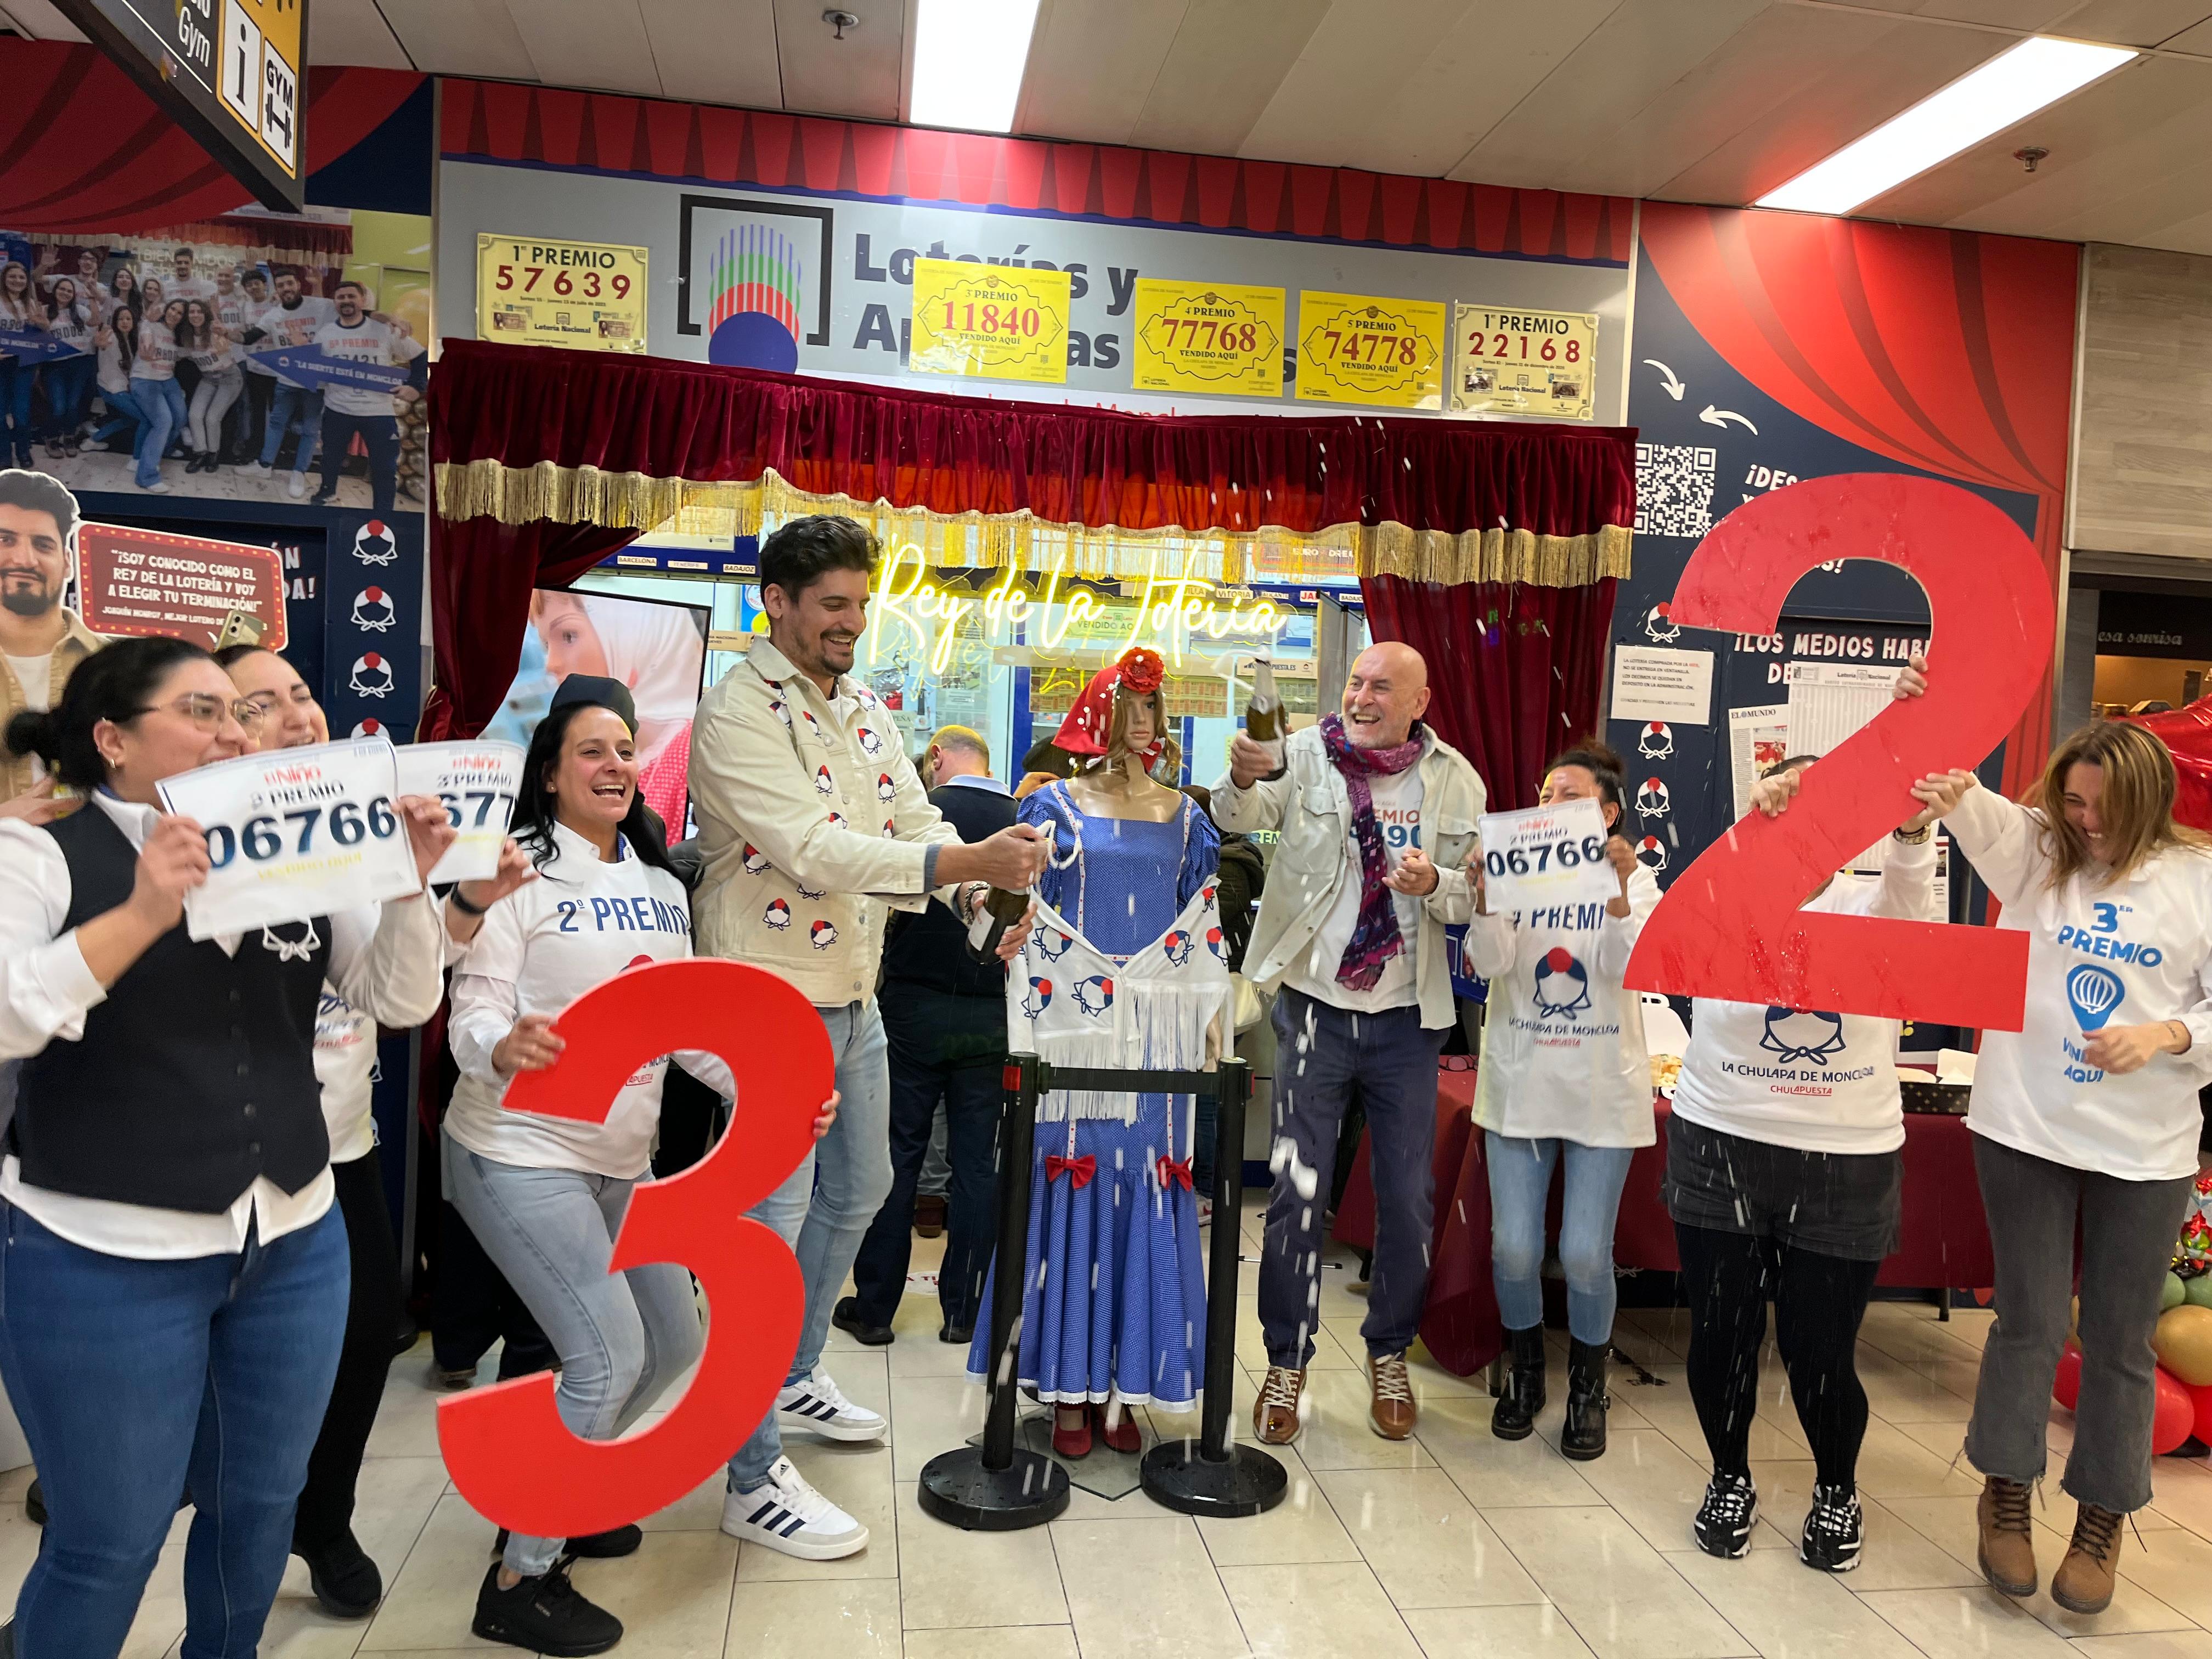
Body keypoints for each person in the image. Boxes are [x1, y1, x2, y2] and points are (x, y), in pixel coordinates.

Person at [0, 635, 453, 1656]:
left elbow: (399, 997)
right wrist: (144, 910)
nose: (232, 731)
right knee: (107, 1541)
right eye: (201, 710)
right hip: (100, 1250)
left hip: (292, 1233)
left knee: (258, 1504)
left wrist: (407, 886)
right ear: (112, 738)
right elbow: (8, 1015)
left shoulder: (292, 852)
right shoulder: (38, 851)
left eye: (236, 714)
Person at [444, 675, 836, 1652]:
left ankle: (571, 1486)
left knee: (673, 1339)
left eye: (624, 748)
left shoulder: (663, 887)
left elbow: (683, 1033)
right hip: (515, 1149)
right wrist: (502, 1046)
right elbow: (473, 1008)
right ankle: (519, 1576)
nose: (614, 764)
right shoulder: (512, 871)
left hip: (621, 1162)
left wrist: (772, 1090)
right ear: (549, 771)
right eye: (591, 750)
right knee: (607, 1353)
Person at [689, 514, 1044, 1559]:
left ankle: (793, 1374)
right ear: (780, 603)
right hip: (766, 997)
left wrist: (989, 906)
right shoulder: (735, 711)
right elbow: (810, 847)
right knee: (772, 1222)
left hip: (855, 991)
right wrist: (963, 867)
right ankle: (747, 1473)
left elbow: (915, 820)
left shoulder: (862, 706)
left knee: (863, 1191)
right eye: (832, 604)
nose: (851, 622)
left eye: (859, 602)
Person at [215, 641, 534, 1619]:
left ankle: (323, 1517)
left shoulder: (355, 846)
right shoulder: (187, 842)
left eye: (301, 694)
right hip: (202, 1161)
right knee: (192, 1364)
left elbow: (399, 995)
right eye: (259, 704)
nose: (296, 714)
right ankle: (113, 1537)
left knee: (359, 1343)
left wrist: (427, 887)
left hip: (337, 1146)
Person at [1909, 720, 2212, 1615]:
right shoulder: (2036, 850)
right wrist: (1924, 707)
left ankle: (2101, 1516)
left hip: (2144, 1148)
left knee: (2120, 1338)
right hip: (2023, 1128)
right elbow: (1944, 779)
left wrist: (2167, 1032)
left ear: (2150, 801)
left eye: (2103, 808)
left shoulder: (2199, 876)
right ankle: (2003, 1490)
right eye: (2071, 800)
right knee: (2029, 1322)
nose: (2084, 821)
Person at [1668, 660, 1936, 1573]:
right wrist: (1753, 831)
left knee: (1822, 1346)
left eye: (1834, 805)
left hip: (1844, 1154)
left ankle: (1834, 1486)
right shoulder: (1731, 878)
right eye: (1798, 798)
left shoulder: (1875, 892)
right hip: (1720, 1136)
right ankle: (1728, 1473)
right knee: (1722, 1330)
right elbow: (1691, 930)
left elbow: (1916, 925)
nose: (1812, 817)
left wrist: (1906, 823)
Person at [1218, 641, 1484, 1444]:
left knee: (1407, 1200)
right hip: (1313, 1011)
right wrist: (1240, 778)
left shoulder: (1456, 780)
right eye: (1356, 684)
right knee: (1297, 1191)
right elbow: (1242, 820)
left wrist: (1437, 886)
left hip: (1409, 1022)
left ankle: (1389, 1350)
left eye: (1381, 688)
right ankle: (1285, 1361)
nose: (1363, 698)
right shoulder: (1303, 753)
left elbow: (1478, 893)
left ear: (1420, 701)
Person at [968, 650, 1224, 1456]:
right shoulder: (1051, 807)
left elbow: (1202, 925)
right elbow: (1018, 905)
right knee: (1071, 1178)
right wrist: (997, 930)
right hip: (1071, 1034)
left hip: (1158, 1041)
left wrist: (1214, 1017)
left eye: (1154, 711)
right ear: (1099, 715)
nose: (1145, 726)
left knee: (1151, 1187)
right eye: (1131, 709)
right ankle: (1069, 1387)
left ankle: (1128, 1380)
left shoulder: (1189, 818)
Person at [1464, 742, 1658, 1462]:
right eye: (1544, 795)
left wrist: (1617, 890)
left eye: (1568, 795)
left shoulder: (1643, 881)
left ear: (1607, 813)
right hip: (1522, 1083)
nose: (1549, 806)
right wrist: (1486, 896)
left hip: (1602, 1090)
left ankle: (1587, 1385)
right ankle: (1525, 1373)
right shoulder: (1519, 873)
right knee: (1514, 1248)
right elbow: (1490, 964)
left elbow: (1622, 964)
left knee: (1583, 1253)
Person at [836, 724, 1013, 1349]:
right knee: (976, 1168)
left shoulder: (918, 818)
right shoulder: (1023, 824)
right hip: (994, 1013)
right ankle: (964, 1310)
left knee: (897, 1157)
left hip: (911, 1009)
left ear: (937, 759)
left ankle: (876, 1308)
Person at [531, 590, 705, 831]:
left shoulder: (693, 751)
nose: (551, 664)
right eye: (546, 645)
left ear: (636, 640)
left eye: (568, 636)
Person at [0, 471, 101, 826]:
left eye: (43, 545)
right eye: (5, 539)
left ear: (68, 562)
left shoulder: (116, 671)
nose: (24, 559)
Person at [311, 281, 425, 514]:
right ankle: (327, 490)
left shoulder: (384, 330)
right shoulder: (325, 334)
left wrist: (416, 386)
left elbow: (420, 356)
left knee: (383, 468)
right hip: (337, 409)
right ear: (335, 303)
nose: (345, 301)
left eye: (351, 296)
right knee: (331, 459)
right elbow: (315, 367)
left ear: (363, 301)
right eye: (340, 297)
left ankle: (383, 514)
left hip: (378, 413)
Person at [239, 268, 331, 498]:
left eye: (290, 283)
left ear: (298, 284)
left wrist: (390, 320)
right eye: (281, 286)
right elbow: (250, 338)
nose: (286, 289)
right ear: (276, 290)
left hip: (315, 382)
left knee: (310, 429)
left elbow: (355, 315)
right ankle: (264, 466)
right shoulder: (274, 315)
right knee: (276, 423)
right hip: (285, 380)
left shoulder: (319, 305)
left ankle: (299, 472)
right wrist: (224, 333)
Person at [130, 300, 188, 495]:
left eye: (180, 313)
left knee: (180, 418)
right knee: (164, 421)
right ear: (166, 310)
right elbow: (145, 341)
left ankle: (162, 449)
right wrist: (146, 348)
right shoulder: (150, 325)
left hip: (168, 381)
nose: (175, 314)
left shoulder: (177, 336)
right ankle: (146, 476)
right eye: (173, 309)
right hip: (145, 380)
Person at [180, 298, 241, 476]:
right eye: (192, 312)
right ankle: (200, 453)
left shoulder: (214, 330)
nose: (195, 315)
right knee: (194, 415)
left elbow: (224, 346)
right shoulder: (187, 336)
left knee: (212, 418)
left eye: (199, 311)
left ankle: (214, 454)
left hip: (229, 378)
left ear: (205, 314)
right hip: (208, 379)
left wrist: (216, 319)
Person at [37, 277, 94, 459]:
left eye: (69, 291)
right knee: (59, 406)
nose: (65, 293)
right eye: (62, 289)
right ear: (55, 291)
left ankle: (69, 437)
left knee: (73, 405)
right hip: (54, 366)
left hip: (79, 363)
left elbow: (95, 322)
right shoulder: (45, 311)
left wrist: (93, 299)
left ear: (74, 295)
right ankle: (52, 438)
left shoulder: (80, 312)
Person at [0, 263, 43, 469]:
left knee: (21, 412)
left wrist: (40, 322)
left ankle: (24, 451)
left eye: (21, 278)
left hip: (23, 364)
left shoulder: (31, 304)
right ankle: (4, 455)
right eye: (13, 277)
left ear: (27, 282)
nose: (17, 281)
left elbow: (45, 331)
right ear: (4, 279)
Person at [89, 304, 146, 458]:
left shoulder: (133, 340)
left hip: (125, 387)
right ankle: (140, 457)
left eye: (128, 319)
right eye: (121, 319)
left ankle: (92, 440)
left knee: (130, 419)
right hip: (111, 388)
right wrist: (99, 345)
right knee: (144, 418)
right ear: (115, 321)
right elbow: (102, 345)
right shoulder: (110, 337)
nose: (125, 322)